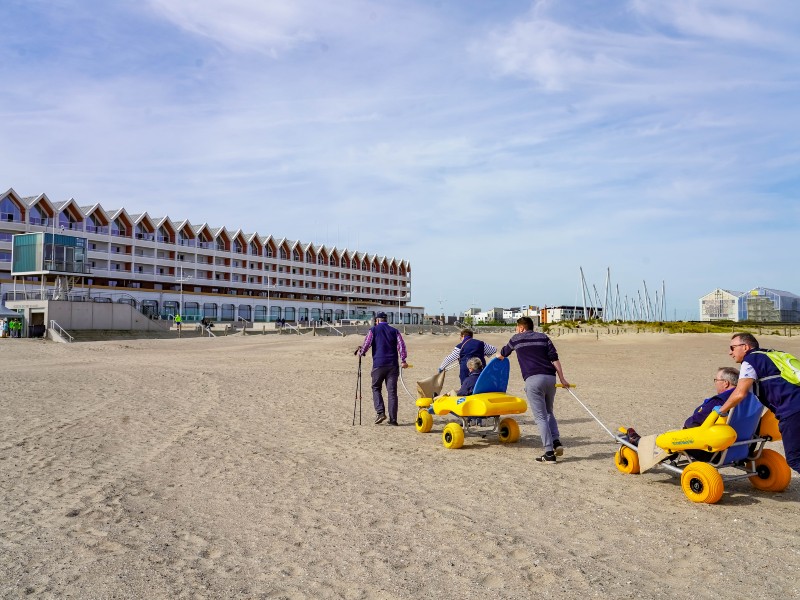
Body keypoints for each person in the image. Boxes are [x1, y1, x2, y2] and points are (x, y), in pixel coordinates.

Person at [717, 333, 800, 474]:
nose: (730, 352)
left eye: (732, 348)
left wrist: (721, 411)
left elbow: (740, 393)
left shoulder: (750, 360)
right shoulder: (773, 355)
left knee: (795, 459)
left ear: (745, 347)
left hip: (792, 409)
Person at [624, 367, 740, 460]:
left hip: (710, 449)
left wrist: (685, 427)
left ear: (725, 383)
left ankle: (639, 442)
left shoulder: (720, 401)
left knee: (669, 437)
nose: (715, 383)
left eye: (716, 380)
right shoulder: (746, 400)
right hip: (739, 449)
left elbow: (694, 422)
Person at [497, 317, 569, 463]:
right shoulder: (543, 337)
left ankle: (549, 453)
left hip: (533, 379)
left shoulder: (516, 338)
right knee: (549, 412)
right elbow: (554, 359)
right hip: (550, 378)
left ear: (521, 328)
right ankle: (556, 442)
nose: (516, 330)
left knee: (540, 417)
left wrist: (498, 356)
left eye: (517, 327)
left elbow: (503, 353)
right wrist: (562, 378)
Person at [356, 312, 409, 425]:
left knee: (376, 388)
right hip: (393, 365)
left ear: (377, 320)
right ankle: (393, 419)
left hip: (379, 364)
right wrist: (403, 360)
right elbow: (401, 346)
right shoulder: (395, 331)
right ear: (386, 320)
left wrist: (361, 352)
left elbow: (367, 343)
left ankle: (380, 412)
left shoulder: (373, 330)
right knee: (392, 392)